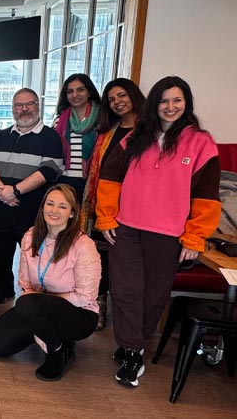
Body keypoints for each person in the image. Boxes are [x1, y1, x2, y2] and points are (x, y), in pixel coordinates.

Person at [96, 76, 220, 388]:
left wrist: (195, 237)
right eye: (164, 100)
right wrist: (107, 219)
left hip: (169, 235)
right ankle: (133, 352)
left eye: (177, 100)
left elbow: (206, 195)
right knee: (124, 291)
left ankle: (130, 344)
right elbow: (110, 178)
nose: (170, 107)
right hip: (126, 228)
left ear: (186, 103)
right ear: (154, 103)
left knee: (152, 295)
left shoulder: (201, 142)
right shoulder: (138, 135)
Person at [0, 184, 101, 382]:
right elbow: (24, 284)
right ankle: (48, 333)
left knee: (28, 305)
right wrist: (38, 318)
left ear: (72, 213)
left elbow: (85, 297)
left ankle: (58, 351)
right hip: (35, 306)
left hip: (78, 314)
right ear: (43, 207)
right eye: (50, 204)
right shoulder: (31, 236)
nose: (54, 211)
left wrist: (42, 306)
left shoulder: (83, 245)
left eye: (63, 207)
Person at [0, 88, 64, 304]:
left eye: (29, 104)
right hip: (1, 208)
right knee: (0, 254)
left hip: (32, 211)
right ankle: (3, 288)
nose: (24, 109)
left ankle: (34, 296)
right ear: (12, 109)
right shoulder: (1, 136)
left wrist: (15, 190)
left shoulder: (50, 137)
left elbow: (48, 171)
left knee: (34, 256)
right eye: (19, 105)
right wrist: (2, 190)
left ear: (38, 106)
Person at [80, 78, 145, 331]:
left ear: (134, 96)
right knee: (100, 258)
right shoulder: (107, 132)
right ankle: (98, 305)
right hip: (101, 203)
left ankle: (128, 317)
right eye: (112, 99)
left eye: (122, 95)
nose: (117, 102)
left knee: (126, 262)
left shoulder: (148, 132)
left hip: (133, 207)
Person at [53, 74, 102, 202]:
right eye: (70, 91)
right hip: (63, 179)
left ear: (89, 92)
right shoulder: (60, 120)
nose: (75, 95)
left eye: (80, 90)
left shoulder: (103, 119)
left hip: (91, 180)